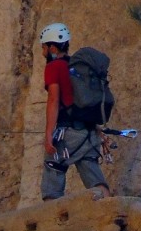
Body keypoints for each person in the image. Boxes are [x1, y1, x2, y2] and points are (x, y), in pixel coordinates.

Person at [39, 22, 111, 201]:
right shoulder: (77, 68)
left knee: (53, 171)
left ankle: (52, 220)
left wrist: (49, 134)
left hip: (67, 133)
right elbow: (82, 100)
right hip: (88, 132)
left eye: (43, 47)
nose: (42, 52)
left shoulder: (53, 67)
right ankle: (110, 208)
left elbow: (54, 100)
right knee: (93, 176)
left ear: (53, 47)